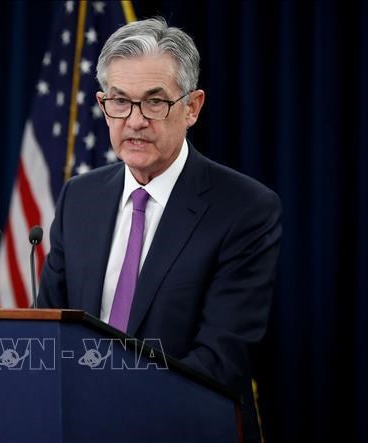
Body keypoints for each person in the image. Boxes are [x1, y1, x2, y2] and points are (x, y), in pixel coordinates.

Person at [37, 16, 281, 443]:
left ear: (192, 107)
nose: (135, 121)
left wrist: (109, 412)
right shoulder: (80, 197)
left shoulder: (245, 209)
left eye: (154, 102)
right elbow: (49, 331)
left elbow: (219, 360)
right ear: (102, 104)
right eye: (120, 101)